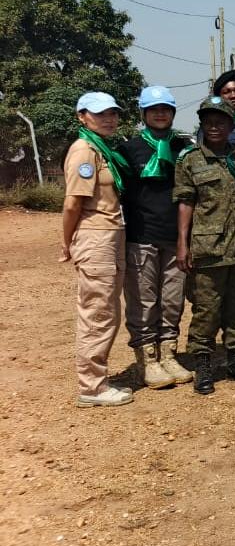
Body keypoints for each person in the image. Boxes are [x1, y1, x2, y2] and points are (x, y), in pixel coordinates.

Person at [174, 96, 235, 394]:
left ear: (231, 126)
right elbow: (185, 203)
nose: (214, 127)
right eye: (209, 122)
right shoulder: (190, 160)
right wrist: (182, 243)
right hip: (209, 247)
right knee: (207, 308)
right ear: (202, 125)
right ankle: (202, 364)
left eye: (221, 122)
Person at [61, 92, 132, 406]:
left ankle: (97, 381)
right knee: (98, 312)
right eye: (100, 113)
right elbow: (72, 204)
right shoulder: (84, 150)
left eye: (113, 113)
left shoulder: (102, 149)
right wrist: (66, 243)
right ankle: (92, 387)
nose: (109, 119)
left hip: (110, 233)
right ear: (82, 116)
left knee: (108, 310)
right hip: (96, 236)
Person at [121, 85, 194, 389]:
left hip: (176, 237)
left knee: (173, 300)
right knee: (144, 300)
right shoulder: (129, 150)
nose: (160, 114)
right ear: (143, 114)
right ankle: (148, 359)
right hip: (142, 236)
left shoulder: (184, 148)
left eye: (166, 109)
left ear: (173, 113)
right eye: (154, 110)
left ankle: (168, 353)